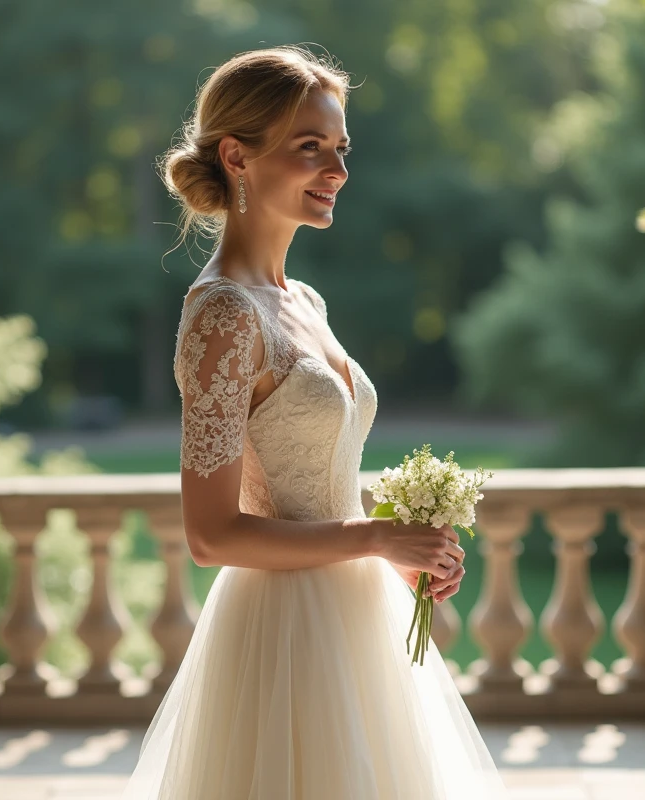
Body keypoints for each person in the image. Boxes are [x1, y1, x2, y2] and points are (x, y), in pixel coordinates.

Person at [121, 45, 506, 799]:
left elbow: (314, 489)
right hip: (282, 635)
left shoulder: (304, 303)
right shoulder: (224, 315)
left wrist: (400, 554)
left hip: (357, 618)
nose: (337, 171)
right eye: (310, 149)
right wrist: (375, 537)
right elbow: (211, 536)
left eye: (339, 149)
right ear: (237, 155)